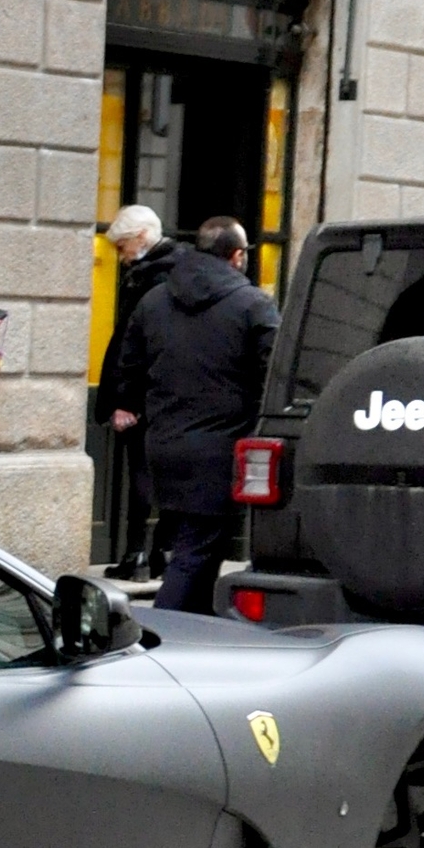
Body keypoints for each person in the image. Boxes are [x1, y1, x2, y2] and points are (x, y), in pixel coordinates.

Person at [114, 215, 280, 615]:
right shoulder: (252, 305)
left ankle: (196, 633)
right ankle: (159, 635)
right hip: (219, 451)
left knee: (200, 551)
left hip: (163, 446)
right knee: (195, 553)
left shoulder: (153, 300)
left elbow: (128, 366)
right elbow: (274, 376)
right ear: (237, 256)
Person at [93, 204, 177, 579]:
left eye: (123, 245)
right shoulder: (179, 272)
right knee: (167, 476)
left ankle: (136, 556)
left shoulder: (149, 278)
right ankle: (161, 552)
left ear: (142, 237)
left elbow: (134, 344)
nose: (121, 255)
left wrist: (126, 400)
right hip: (170, 393)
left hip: (145, 395)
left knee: (142, 475)